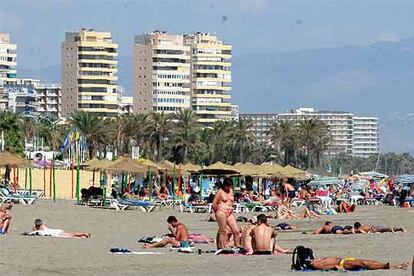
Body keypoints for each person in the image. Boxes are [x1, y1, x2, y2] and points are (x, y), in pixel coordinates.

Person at [212, 177, 241, 249]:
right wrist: (217, 212)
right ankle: (222, 247)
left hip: (230, 212)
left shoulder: (231, 191)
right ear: (224, 185)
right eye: (227, 186)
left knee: (236, 231)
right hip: (222, 211)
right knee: (223, 231)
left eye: (230, 186)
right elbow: (214, 203)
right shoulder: (220, 192)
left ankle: (238, 246)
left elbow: (231, 201)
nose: (228, 187)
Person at [310, 257, 408, 271]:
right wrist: (336, 267)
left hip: (345, 260)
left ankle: (388, 265)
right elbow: (333, 266)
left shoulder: (318, 259)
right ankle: (389, 266)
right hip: (343, 263)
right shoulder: (315, 264)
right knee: (364, 263)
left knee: (367, 261)